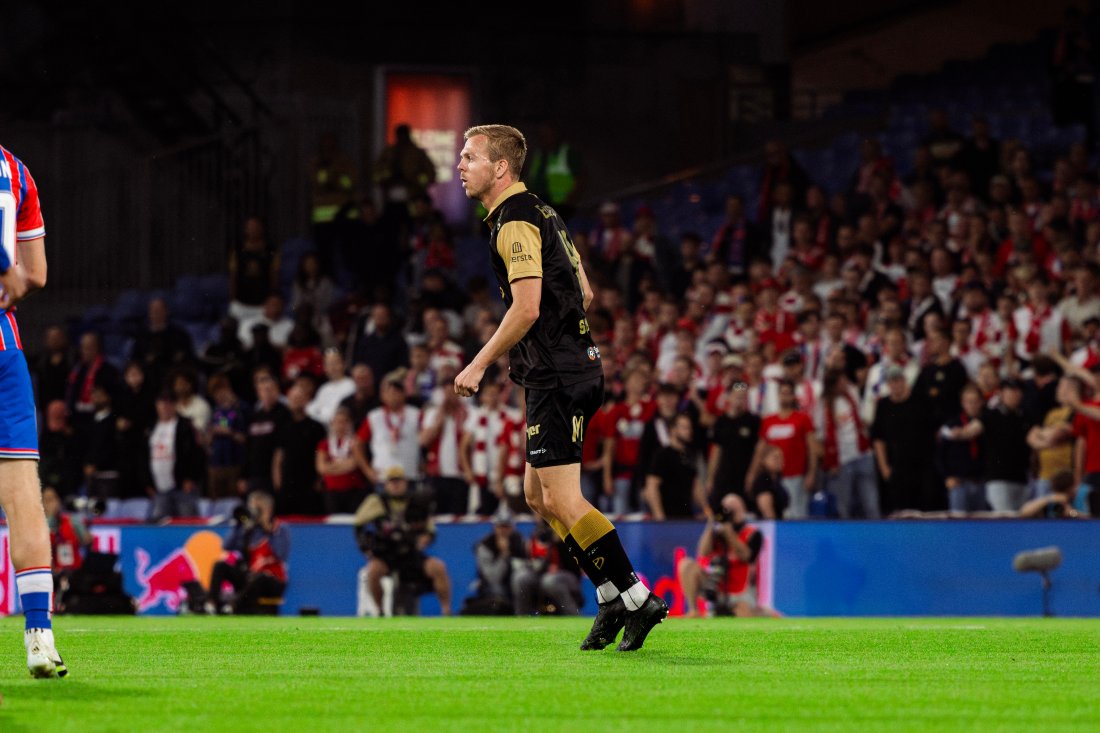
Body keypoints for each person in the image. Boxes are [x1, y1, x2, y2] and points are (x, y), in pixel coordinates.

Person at [454, 124, 666, 651]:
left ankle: (636, 598)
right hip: (564, 367)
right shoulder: (543, 213)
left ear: (500, 168)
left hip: (559, 376)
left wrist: (479, 363)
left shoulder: (514, 222)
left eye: (469, 156)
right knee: (537, 495)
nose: (460, 165)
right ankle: (611, 594)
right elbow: (585, 291)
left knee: (563, 498)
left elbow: (526, 307)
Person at [0, 143, 67, 676]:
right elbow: (36, 274)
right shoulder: (17, 169)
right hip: (3, 352)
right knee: (23, 491)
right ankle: (39, 636)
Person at [354, 465, 451, 616]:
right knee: (373, 571)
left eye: (399, 481)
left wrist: (426, 538)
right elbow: (358, 524)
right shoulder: (377, 501)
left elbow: (430, 529)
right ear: (386, 484)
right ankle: (379, 611)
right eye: (392, 481)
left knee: (438, 567)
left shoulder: (417, 501)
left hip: (410, 551)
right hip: (387, 551)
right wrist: (365, 547)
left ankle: (446, 611)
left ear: (405, 482)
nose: (395, 484)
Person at [677, 494, 774, 617]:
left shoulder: (752, 533)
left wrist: (729, 533)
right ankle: (693, 610)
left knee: (742, 613)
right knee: (686, 565)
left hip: (740, 592)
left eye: (733, 509)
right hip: (716, 587)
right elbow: (702, 553)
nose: (729, 513)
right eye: (725, 508)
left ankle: (764, 613)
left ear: (742, 510)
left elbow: (747, 556)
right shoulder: (716, 532)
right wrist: (711, 524)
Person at [205, 491, 290, 614]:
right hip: (250, 578)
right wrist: (239, 526)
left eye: (258, 509)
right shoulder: (249, 529)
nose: (255, 512)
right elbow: (226, 546)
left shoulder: (280, 529)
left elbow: (281, 554)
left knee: (261, 577)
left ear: (269, 509)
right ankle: (210, 604)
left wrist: (268, 530)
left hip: (272, 580)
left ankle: (232, 606)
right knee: (220, 565)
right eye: (252, 508)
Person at [748, 380, 818, 519]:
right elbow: (760, 450)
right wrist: (752, 473)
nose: (785, 396)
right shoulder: (768, 421)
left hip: (795, 475)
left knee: (796, 513)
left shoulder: (803, 419)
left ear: (793, 396)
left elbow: (812, 448)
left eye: (788, 393)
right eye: (782, 393)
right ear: (778, 396)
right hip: (772, 478)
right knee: (774, 511)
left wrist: (812, 472)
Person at [871, 366, 931, 513]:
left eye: (898, 380)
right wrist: (884, 466)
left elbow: (930, 432)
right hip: (895, 469)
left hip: (920, 469)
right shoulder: (883, 405)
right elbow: (878, 439)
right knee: (898, 512)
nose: (896, 385)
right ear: (888, 384)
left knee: (921, 511)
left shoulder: (919, 401)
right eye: (892, 381)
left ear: (904, 381)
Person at [147, 391, 203, 522]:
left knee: (187, 523)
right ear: (157, 406)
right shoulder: (151, 427)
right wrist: (148, 482)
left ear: (174, 405)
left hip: (182, 487)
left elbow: (196, 454)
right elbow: (144, 456)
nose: (165, 407)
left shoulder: (185, 426)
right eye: (162, 403)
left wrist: (190, 478)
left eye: (168, 403)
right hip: (159, 488)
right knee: (160, 526)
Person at [272, 382, 326, 516]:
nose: (295, 401)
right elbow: (278, 457)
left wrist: (320, 480)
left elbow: (323, 454)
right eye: (292, 398)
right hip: (287, 486)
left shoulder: (316, 427)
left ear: (307, 400)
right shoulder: (283, 426)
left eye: (299, 398)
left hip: (309, 486)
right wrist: (278, 483)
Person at [642, 413, 704, 520]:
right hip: (668, 517)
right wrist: (660, 517)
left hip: (687, 517)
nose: (689, 431)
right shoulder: (662, 454)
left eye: (689, 427)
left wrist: (706, 509)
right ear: (673, 430)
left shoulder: (690, 455)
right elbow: (652, 487)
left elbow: (695, 486)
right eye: (684, 427)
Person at [129, 297, 194, 388]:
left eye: (159, 310)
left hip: (173, 375)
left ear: (166, 311)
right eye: (153, 311)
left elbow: (187, 356)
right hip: (148, 377)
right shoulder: (142, 336)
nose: (156, 314)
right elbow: (135, 359)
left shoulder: (179, 334)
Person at [316, 406, 369, 514]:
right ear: (332, 424)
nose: (341, 426)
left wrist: (332, 465)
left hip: (354, 491)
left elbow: (354, 464)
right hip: (332, 492)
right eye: (338, 422)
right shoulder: (324, 444)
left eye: (344, 422)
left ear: (350, 423)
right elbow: (321, 468)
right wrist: (344, 464)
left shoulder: (356, 442)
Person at [228, 216, 279, 323]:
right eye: (250, 227)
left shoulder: (271, 251)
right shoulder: (237, 250)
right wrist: (232, 300)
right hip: (241, 304)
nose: (253, 230)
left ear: (261, 229)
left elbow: (274, 276)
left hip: (262, 304)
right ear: (246, 230)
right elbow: (233, 276)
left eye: (256, 227)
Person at [206, 374, 248, 501]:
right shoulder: (216, 411)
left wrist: (229, 432)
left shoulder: (241, 409)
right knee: (216, 501)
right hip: (216, 464)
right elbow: (209, 439)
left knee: (233, 501)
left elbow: (245, 438)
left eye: (222, 391)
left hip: (234, 464)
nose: (219, 395)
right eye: (215, 393)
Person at [306, 348, 356, 426]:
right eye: (329, 364)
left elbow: (337, 412)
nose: (332, 367)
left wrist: (319, 415)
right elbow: (311, 409)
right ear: (325, 368)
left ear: (344, 365)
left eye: (335, 363)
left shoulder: (351, 385)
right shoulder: (324, 388)